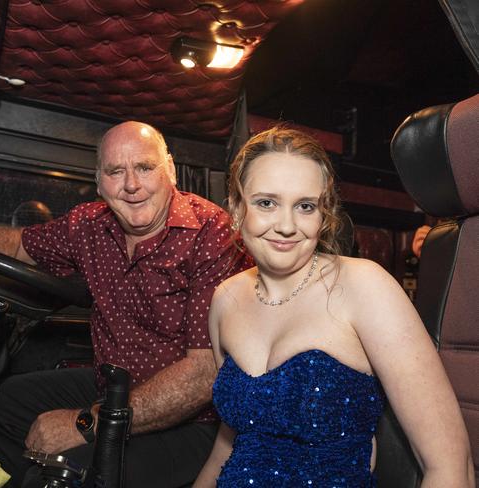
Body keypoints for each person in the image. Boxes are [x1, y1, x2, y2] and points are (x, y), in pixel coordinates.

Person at [0, 121, 249, 488]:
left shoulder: (213, 233)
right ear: (98, 180)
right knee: (4, 406)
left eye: (144, 167)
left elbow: (203, 377)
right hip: (112, 385)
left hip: (193, 421)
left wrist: (87, 423)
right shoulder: (88, 225)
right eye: (115, 171)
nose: (132, 184)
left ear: (169, 169)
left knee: (65, 471)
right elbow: (17, 243)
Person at [193, 127, 474, 487]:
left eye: (305, 206)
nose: (286, 225)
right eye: (266, 203)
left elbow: (450, 466)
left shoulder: (365, 287)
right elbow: (229, 444)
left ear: (324, 216)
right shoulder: (225, 299)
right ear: (236, 208)